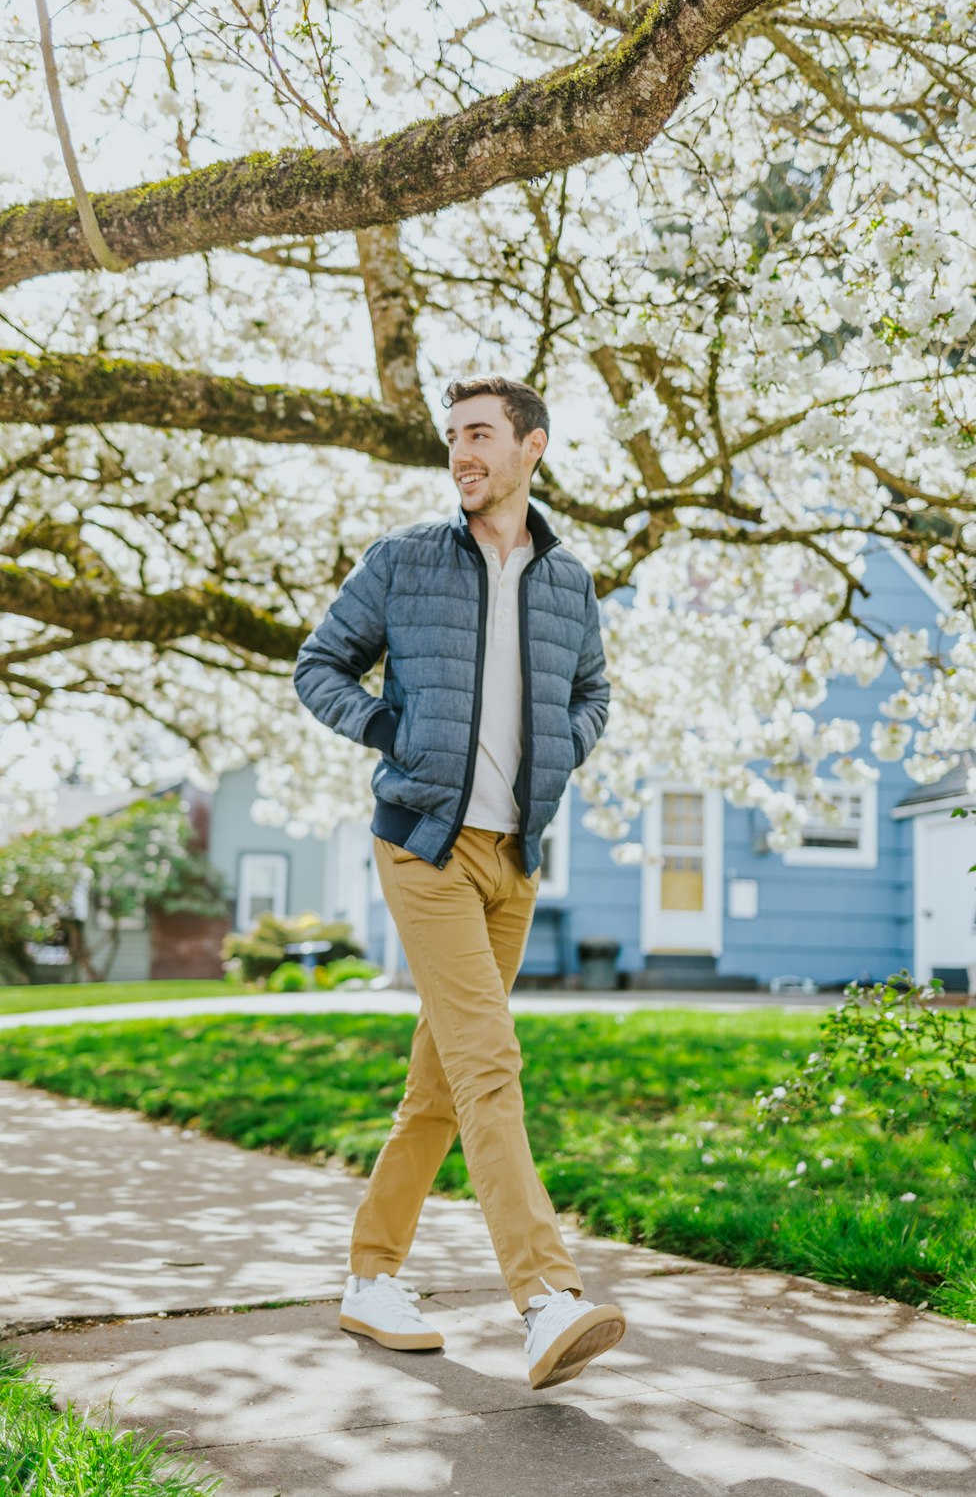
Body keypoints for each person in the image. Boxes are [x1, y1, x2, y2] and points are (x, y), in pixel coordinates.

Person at [293, 374, 625, 1389]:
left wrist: (561, 750)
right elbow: (320, 668)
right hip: (425, 848)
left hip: (513, 858)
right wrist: (391, 728)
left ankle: (370, 1274)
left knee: (438, 1088)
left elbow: (593, 694)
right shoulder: (402, 560)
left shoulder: (568, 582)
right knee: (490, 1062)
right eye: (452, 438)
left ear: (532, 448)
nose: (461, 454)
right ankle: (543, 1295)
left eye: (480, 435)